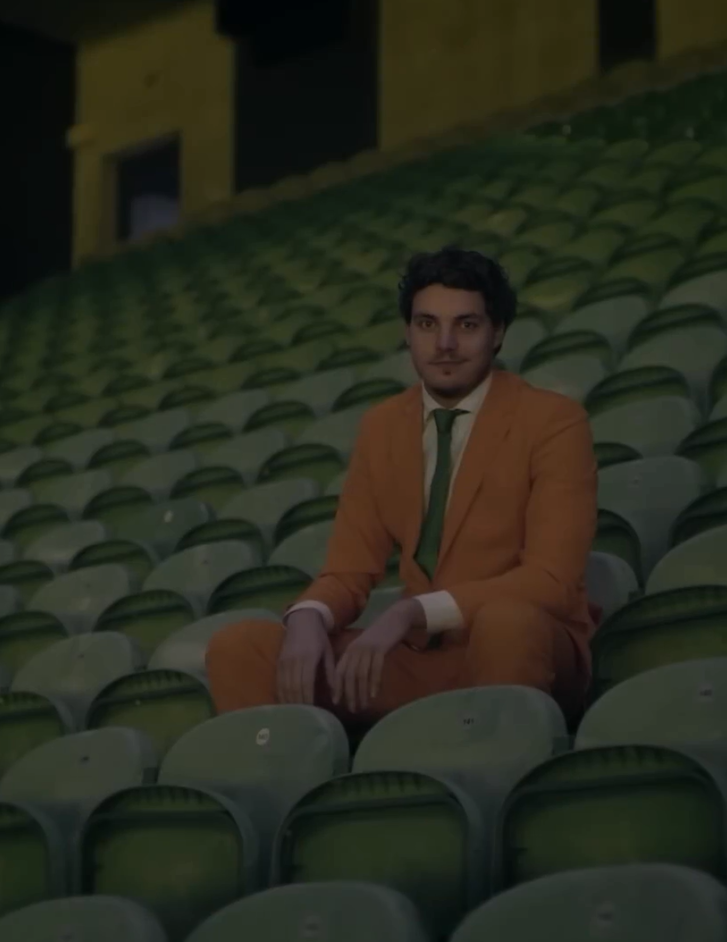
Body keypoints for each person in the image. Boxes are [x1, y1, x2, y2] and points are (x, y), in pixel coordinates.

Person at [205, 246, 598, 725]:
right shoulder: (382, 427)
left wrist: (411, 612)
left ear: (498, 334)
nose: (445, 343)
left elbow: (551, 582)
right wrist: (308, 618)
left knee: (506, 623)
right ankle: (295, 788)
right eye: (427, 324)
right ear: (407, 332)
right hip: (419, 659)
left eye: (467, 325)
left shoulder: (553, 421)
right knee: (242, 647)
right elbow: (349, 571)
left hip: (520, 647)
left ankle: (496, 769)